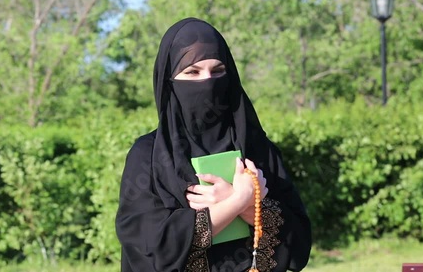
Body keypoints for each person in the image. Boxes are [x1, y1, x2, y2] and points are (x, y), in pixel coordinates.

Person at [115, 17, 311, 272]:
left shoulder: (257, 149)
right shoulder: (148, 156)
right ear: (169, 83)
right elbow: (151, 248)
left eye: (218, 71)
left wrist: (246, 204)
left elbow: (298, 244)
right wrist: (240, 200)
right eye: (192, 72)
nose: (208, 82)